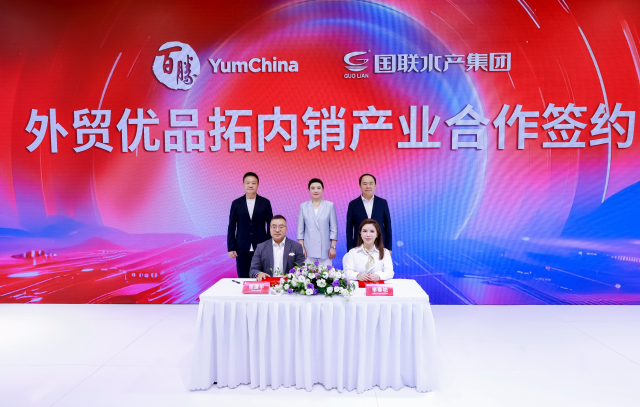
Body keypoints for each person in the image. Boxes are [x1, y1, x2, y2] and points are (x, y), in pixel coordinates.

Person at [227, 172, 273, 278]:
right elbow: (231, 227)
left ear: (258, 185)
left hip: (261, 248)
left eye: (253, 183)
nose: (250, 185)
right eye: (247, 183)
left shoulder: (265, 202)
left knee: (261, 279)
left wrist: (269, 246)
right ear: (243, 185)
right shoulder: (236, 203)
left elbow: (271, 226)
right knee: (243, 279)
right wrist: (231, 247)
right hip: (242, 248)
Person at [297, 178, 338, 266]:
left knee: (326, 273)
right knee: (307, 273)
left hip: (326, 250)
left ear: (323, 189)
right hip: (308, 250)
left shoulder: (329, 205)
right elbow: (300, 229)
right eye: (313, 188)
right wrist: (301, 247)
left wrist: (333, 247)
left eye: (319, 188)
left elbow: (334, 228)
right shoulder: (303, 206)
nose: (316, 190)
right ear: (309, 190)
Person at [345, 174, 392, 252]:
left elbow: (388, 225)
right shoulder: (353, 204)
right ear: (360, 186)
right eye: (365, 184)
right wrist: (350, 249)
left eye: (371, 183)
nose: (368, 186)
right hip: (359, 246)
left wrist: (388, 248)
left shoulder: (383, 203)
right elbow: (349, 228)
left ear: (375, 186)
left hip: (380, 245)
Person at [250, 215, 305, 280]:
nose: (277, 230)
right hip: (268, 283)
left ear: (286, 229)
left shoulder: (297, 247)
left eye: (281, 227)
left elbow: (301, 268)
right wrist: (259, 274)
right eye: (274, 227)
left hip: (288, 283)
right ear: (270, 229)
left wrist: (292, 275)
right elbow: (253, 269)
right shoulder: (261, 247)